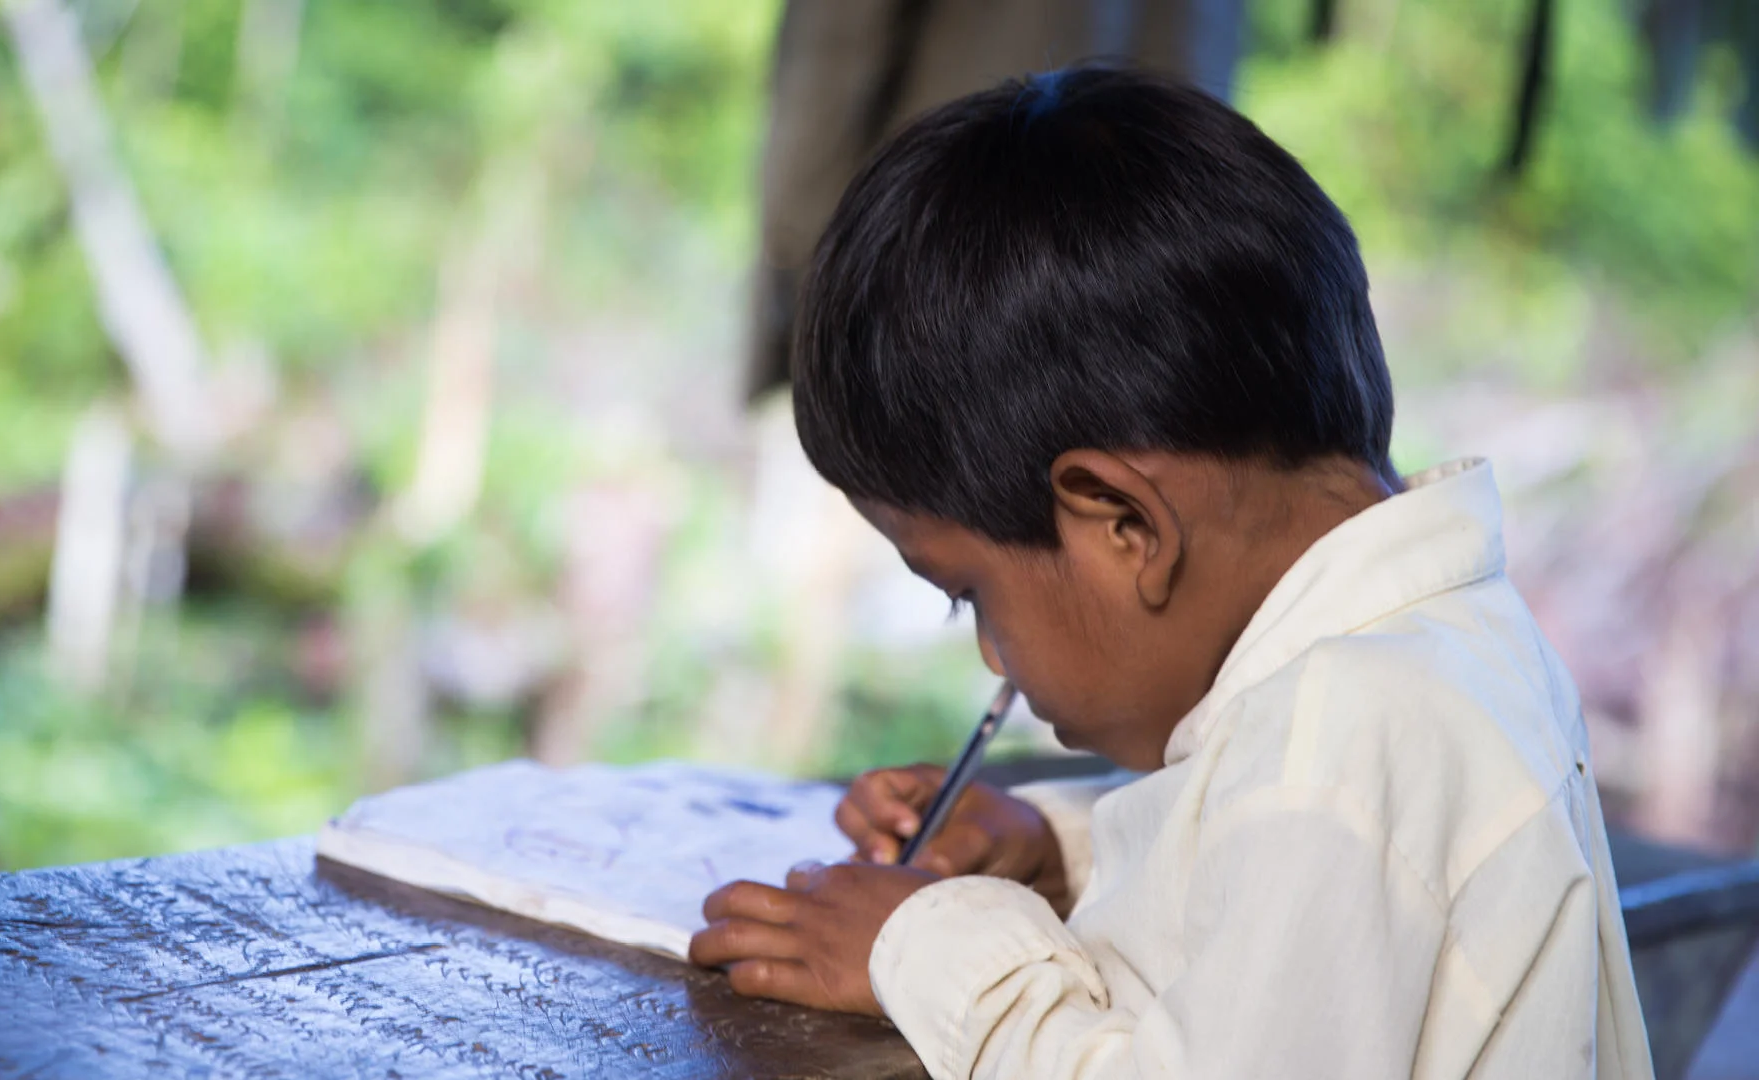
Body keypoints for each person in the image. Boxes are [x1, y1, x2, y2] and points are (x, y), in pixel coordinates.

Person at [689, 66, 1654, 1080]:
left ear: (1125, 525)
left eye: (968, 593)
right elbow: (1283, 896)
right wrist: (1059, 852)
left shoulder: (1346, 738)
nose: (991, 657)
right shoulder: (1430, 658)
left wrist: (931, 943)